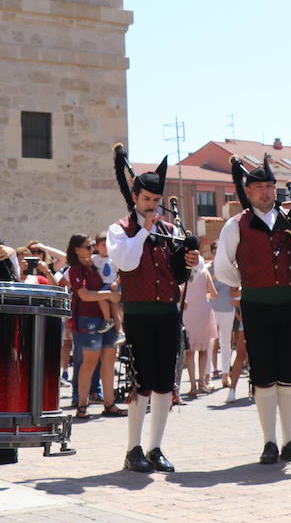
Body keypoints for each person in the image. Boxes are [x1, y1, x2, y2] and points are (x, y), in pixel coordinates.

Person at [211, 156, 291, 464]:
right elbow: (223, 268)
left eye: (269, 186)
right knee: (263, 374)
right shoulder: (235, 224)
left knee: (289, 373)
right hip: (256, 306)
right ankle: (269, 442)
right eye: (259, 187)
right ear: (248, 192)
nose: (265, 192)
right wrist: (251, 282)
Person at [106, 156, 196, 473]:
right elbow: (126, 263)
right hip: (139, 313)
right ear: (135, 198)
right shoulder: (119, 229)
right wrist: (144, 231)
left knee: (163, 384)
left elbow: (178, 275)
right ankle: (134, 449)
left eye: (156, 200)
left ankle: (156, 447)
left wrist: (188, 261)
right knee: (141, 382)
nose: (152, 205)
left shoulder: (170, 229)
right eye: (147, 199)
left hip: (167, 312)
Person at [65, 233, 122, 421]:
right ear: (76, 250)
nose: (92, 250)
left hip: (106, 320)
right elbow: (84, 295)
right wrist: (107, 296)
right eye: (88, 247)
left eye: (92, 247)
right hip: (87, 318)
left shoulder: (94, 266)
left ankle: (109, 403)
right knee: (89, 362)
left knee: (108, 360)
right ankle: (81, 405)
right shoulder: (75, 269)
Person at [180, 239, 215, 396]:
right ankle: (202, 382)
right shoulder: (204, 270)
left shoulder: (182, 270)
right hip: (203, 311)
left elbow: (178, 292)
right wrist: (203, 297)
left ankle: (192, 385)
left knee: (189, 351)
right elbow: (213, 293)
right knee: (203, 350)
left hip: (187, 311)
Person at [206, 242, 236, 391]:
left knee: (226, 343)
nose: (217, 253)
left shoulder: (228, 268)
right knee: (210, 343)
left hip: (228, 308)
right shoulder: (207, 268)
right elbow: (204, 287)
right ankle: (208, 376)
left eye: (219, 250)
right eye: (215, 250)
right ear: (211, 252)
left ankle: (226, 375)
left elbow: (236, 286)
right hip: (211, 308)